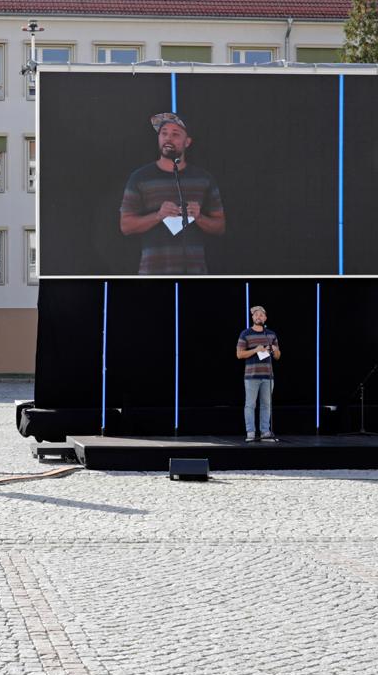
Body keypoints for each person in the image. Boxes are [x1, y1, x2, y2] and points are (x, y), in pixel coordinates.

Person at [119, 112, 226, 275]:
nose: (168, 138)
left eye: (175, 134)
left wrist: (199, 218)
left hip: (195, 274)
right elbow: (125, 226)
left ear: (187, 142)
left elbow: (220, 227)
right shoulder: (140, 178)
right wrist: (158, 215)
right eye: (164, 133)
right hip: (153, 274)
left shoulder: (203, 179)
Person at [235, 306, 280, 442]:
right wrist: (255, 350)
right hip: (251, 376)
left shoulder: (271, 334)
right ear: (253, 318)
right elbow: (239, 354)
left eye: (261, 315)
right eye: (256, 315)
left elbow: (277, 356)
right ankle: (251, 432)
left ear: (265, 318)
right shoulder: (245, 334)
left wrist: (273, 349)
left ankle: (265, 432)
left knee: (266, 405)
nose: (258, 317)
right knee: (250, 405)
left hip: (268, 376)